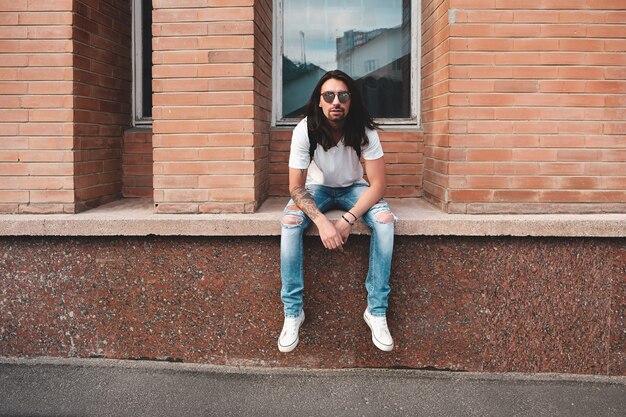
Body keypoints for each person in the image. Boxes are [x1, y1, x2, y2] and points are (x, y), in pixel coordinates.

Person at [278, 70, 397, 353]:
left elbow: (378, 184)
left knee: (384, 220)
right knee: (291, 220)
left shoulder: (364, 130)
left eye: (343, 96)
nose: (336, 101)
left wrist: (347, 219)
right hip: (315, 188)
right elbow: (296, 188)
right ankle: (293, 311)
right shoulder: (305, 129)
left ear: (351, 101)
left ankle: (376, 310)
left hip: (352, 188)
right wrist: (322, 222)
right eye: (328, 95)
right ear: (319, 101)